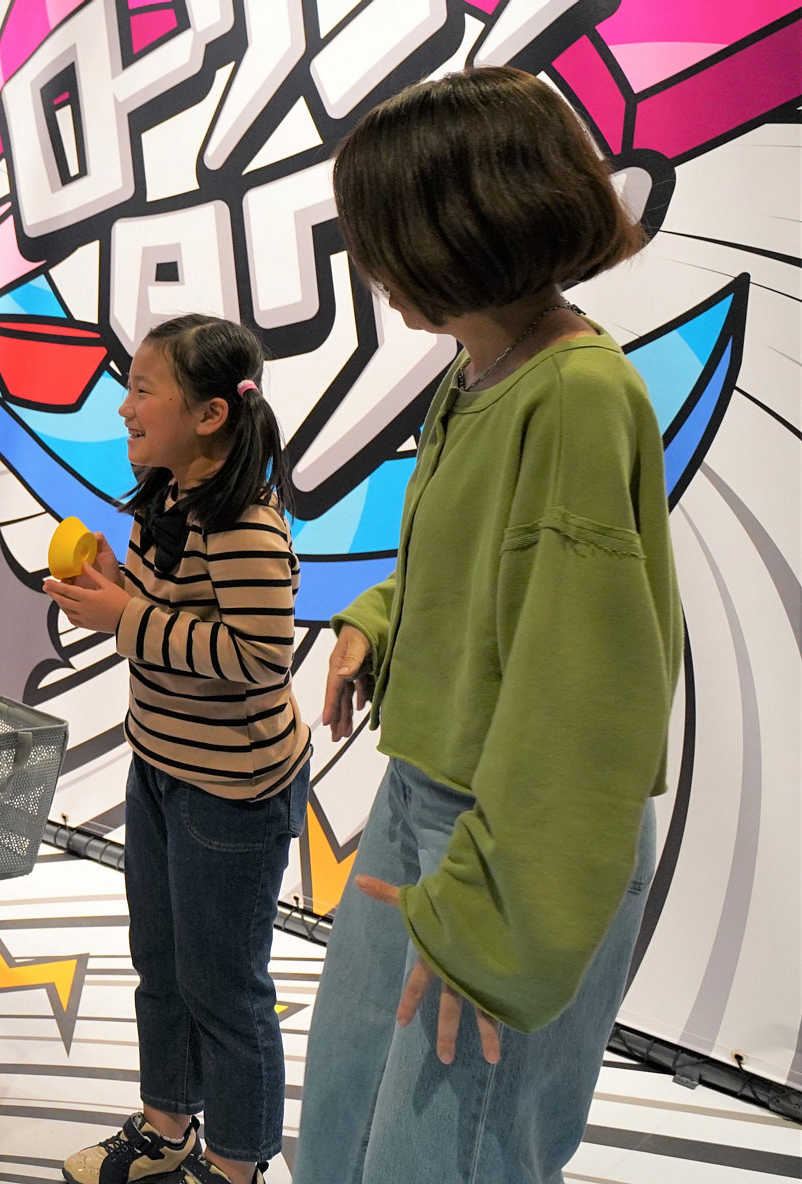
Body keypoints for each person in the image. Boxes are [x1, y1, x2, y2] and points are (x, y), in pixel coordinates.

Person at [294, 67, 677, 1184]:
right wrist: (377, 620)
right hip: (426, 796)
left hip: (517, 832)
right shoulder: (477, 374)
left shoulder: (576, 393)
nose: (373, 270)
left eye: (383, 238)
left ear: (455, 229)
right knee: (344, 1128)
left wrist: (500, 923)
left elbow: (586, 693)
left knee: (445, 1155)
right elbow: (479, 572)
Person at [48, 314, 310, 1184]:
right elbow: (167, 609)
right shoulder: (160, 496)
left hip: (231, 792)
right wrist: (114, 588)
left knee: (225, 989)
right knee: (160, 964)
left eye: (141, 390)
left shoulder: (245, 527)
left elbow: (259, 657)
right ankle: (167, 1127)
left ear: (208, 415)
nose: (124, 407)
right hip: (160, 766)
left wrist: (127, 617)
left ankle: (235, 1166)